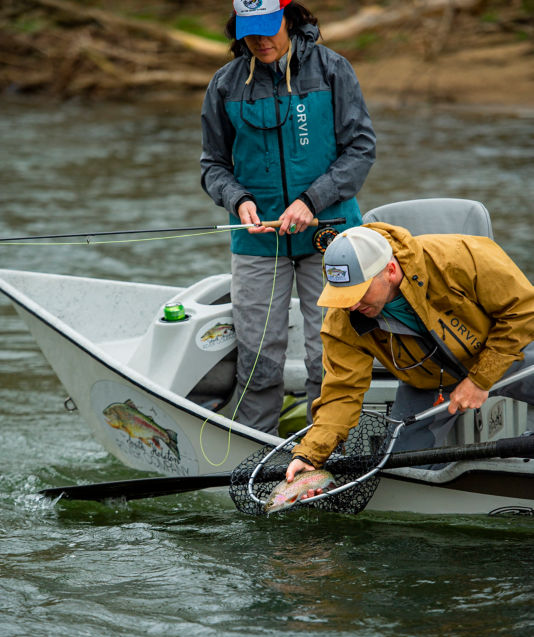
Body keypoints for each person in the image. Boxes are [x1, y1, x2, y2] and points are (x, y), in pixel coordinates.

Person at [200, 0, 376, 434]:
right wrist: (237, 199)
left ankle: (329, 447)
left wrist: (311, 201)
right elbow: (213, 166)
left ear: (290, 17)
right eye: (249, 30)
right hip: (257, 241)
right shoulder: (224, 85)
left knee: (328, 355)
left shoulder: (332, 69)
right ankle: (252, 451)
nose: (260, 40)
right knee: (259, 357)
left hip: (330, 236)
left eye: (268, 27)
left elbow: (361, 150)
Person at [286, 222, 534, 482]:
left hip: (506, 354)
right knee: (401, 473)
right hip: (429, 384)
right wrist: (310, 455)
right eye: (342, 295)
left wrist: (480, 379)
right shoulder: (343, 318)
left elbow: (524, 310)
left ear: (390, 271)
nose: (351, 305)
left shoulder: (460, 256)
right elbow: (341, 392)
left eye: (359, 292)